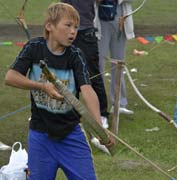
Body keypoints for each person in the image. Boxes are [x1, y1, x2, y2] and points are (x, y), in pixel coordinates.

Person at [4, 3, 112, 180]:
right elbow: (11, 77)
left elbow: (87, 90)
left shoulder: (76, 55)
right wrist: (42, 86)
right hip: (40, 137)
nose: (73, 32)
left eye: (76, 27)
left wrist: (99, 126)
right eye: (68, 25)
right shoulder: (34, 48)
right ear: (49, 26)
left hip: (71, 135)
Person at [61, 0, 109, 129]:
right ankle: (69, 113)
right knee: (67, 74)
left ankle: (102, 115)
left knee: (93, 75)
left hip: (84, 31)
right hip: (67, 29)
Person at [97, 0, 136, 114]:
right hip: (100, 21)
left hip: (121, 20)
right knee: (99, 64)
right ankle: (98, 105)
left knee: (118, 63)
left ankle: (119, 103)